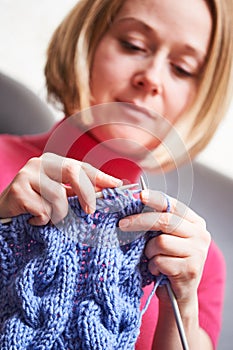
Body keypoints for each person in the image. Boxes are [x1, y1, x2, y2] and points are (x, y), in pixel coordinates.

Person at [0, 0, 232, 348]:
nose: (151, 78)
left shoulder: (200, 260)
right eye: (133, 45)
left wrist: (182, 309)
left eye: (182, 69)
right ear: (87, 41)